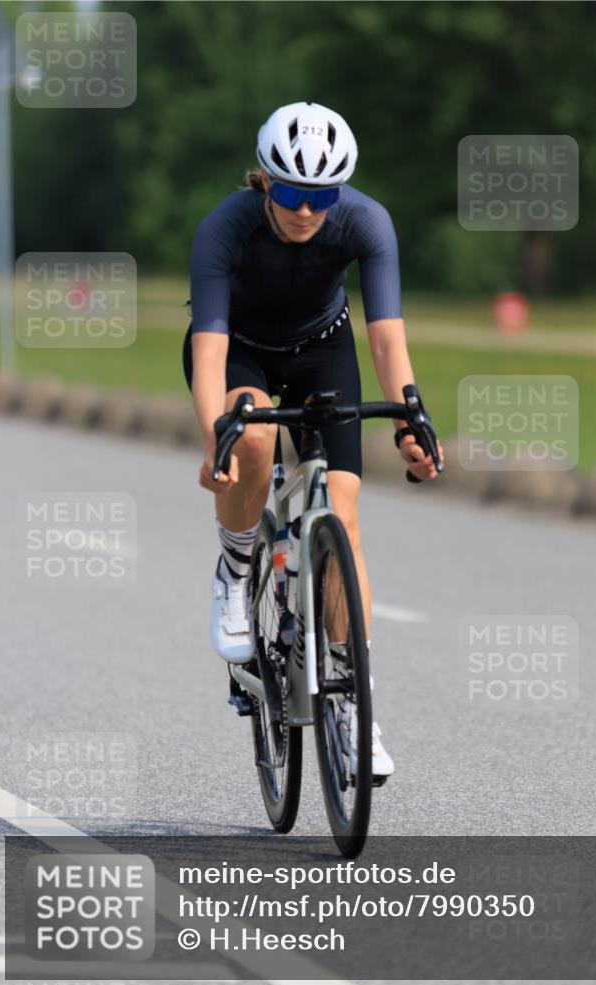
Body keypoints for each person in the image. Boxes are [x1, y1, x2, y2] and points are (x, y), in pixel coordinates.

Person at [183, 101, 441, 778]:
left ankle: (355, 707)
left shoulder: (365, 221)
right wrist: (218, 438)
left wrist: (410, 416)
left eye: (321, 195)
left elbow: (385, 337)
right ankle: (236, 571)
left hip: (322, 351)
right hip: (240, 352)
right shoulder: (223, 229)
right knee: (257, 441)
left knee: (345, 519)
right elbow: (208, 355)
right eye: (293, 193)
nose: (306, 211)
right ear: (266, 182)